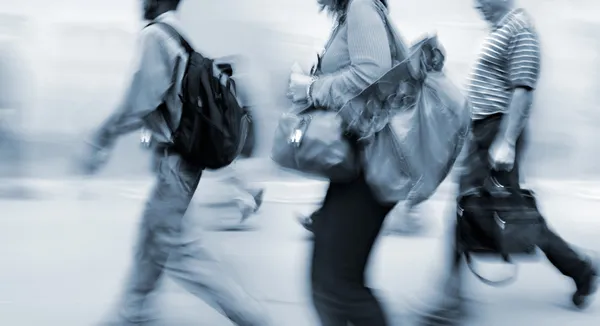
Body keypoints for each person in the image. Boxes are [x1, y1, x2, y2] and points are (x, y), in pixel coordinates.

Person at [81, 0, 270, 325]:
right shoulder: (179, 36)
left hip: (174, 163)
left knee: (180, 253)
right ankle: (134, 312)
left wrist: (102, 136)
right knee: (154, 246)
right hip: (181, 163)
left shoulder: (157, 36)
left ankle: (253, 318)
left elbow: (139, 100)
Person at [421, 0, 598, 322]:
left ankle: (450, 299)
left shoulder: (520, 29)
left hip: (496, 130)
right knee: (504, 212)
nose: (477, 6)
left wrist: (506, 141)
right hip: (483, 131)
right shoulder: (499, 30)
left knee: (484, 211)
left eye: (482, 1)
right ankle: (579, 267)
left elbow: (522, 91)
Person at [287, 0, 395, 324]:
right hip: (356, 165)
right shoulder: (353, 13)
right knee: (333, 283)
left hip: (370, 165)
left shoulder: (362, 6)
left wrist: (311, 87)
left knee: (336, 286)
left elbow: (372, 73)